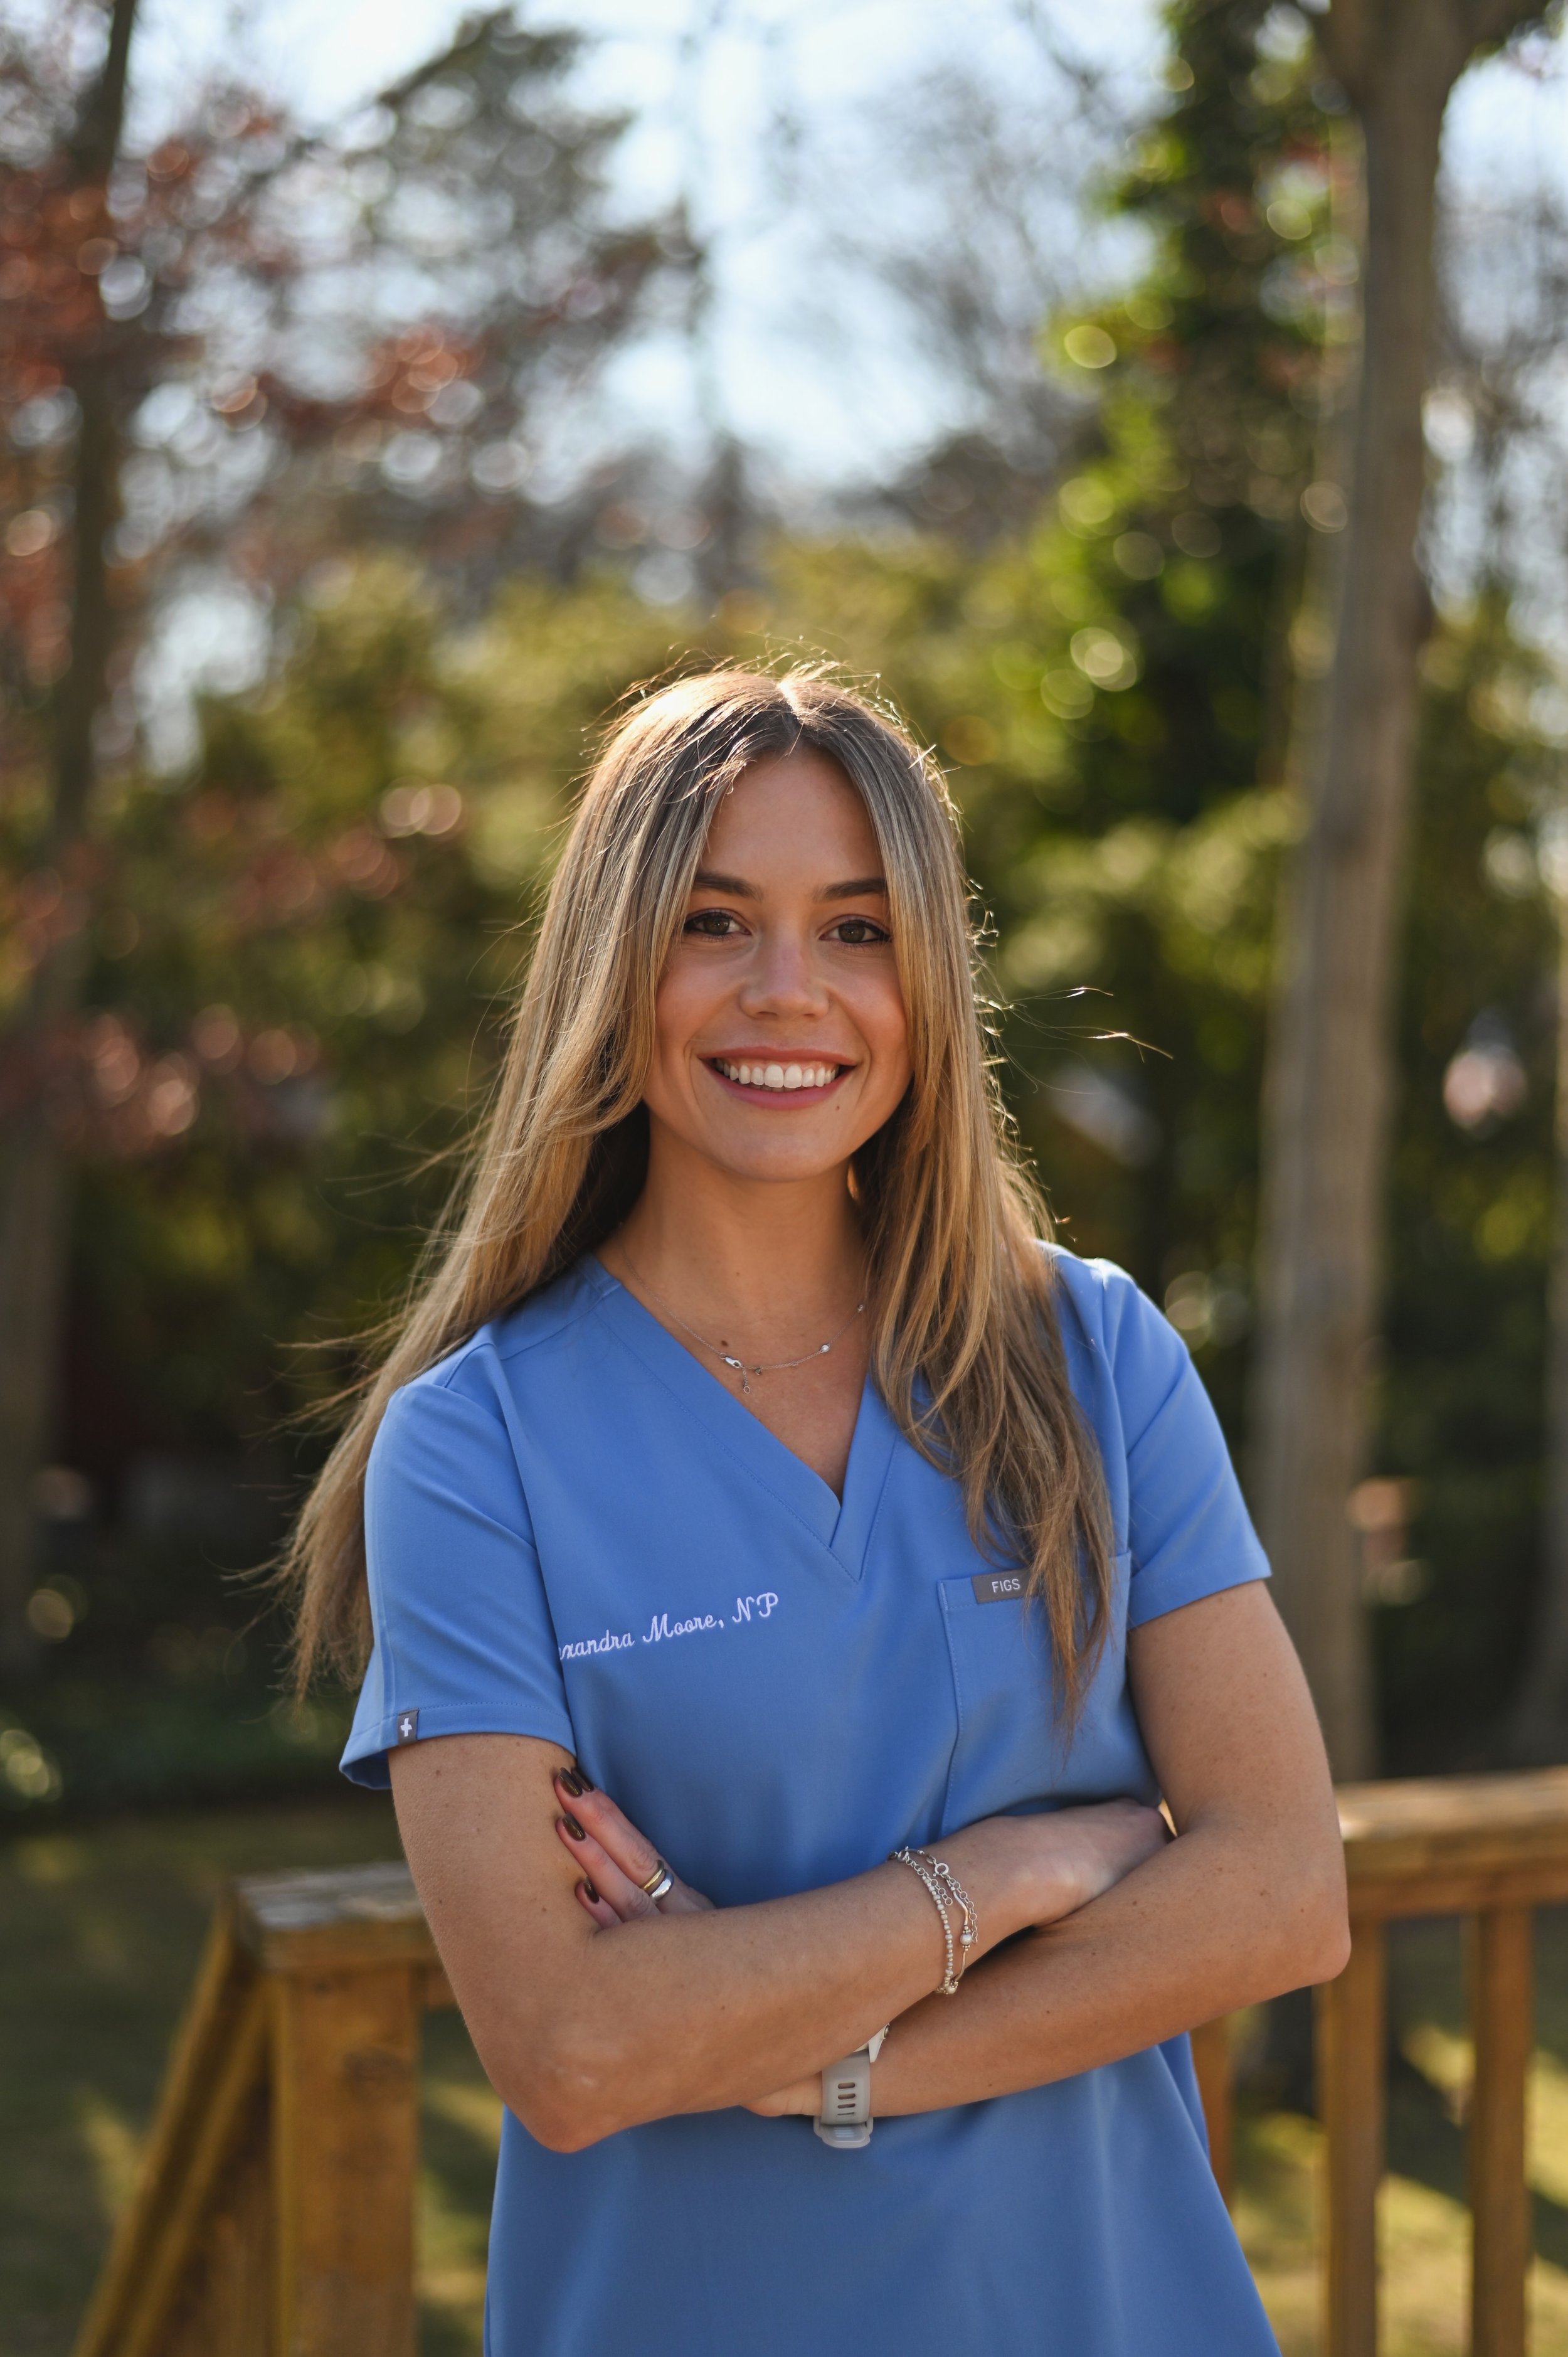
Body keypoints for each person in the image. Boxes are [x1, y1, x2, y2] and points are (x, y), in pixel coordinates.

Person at [285, 667, 1348, 2357]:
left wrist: (833, 2066)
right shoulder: (474, 1450)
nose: (790, 993)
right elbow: (568, 2053)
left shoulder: (1092, 1355)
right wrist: (1005, 1874)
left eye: (855, 931)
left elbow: (1280, 1892)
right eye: (717, 921)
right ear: (613, 967)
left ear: (925, 977)